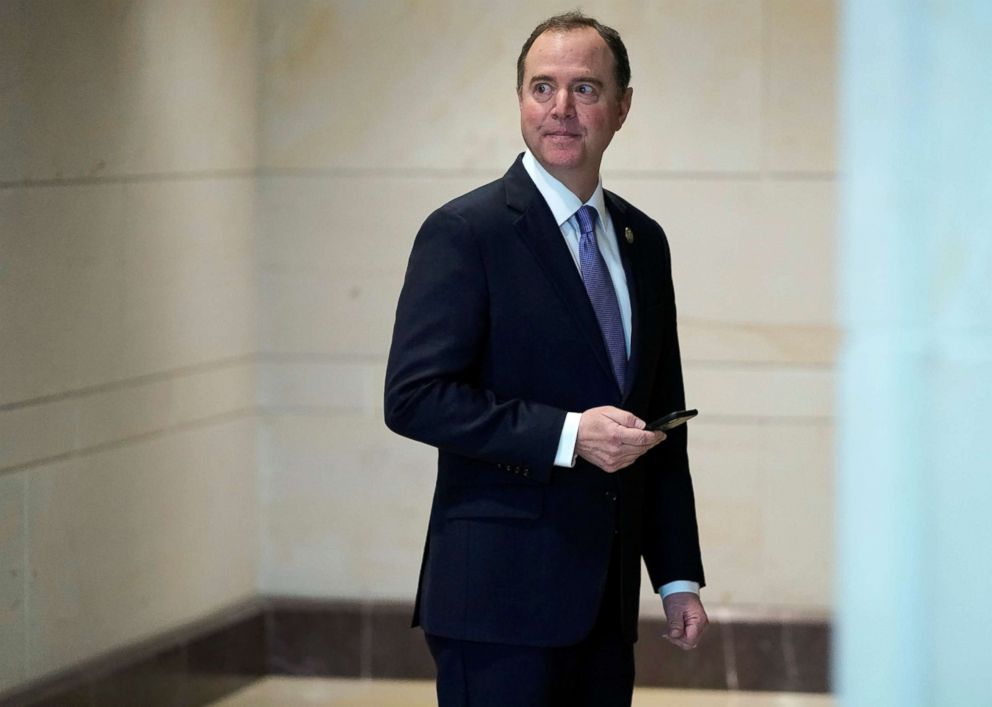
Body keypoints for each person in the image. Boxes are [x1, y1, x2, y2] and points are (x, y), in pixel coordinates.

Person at [384, 11, 706, 707]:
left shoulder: (643, 241)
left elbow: (663, 417)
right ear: (521, 101)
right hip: (496, 603)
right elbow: (414, 395)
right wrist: (568, 435)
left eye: (585, 88)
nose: (561, 108)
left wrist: (677, 575)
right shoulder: (464, 233)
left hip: (605, 608)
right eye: (542, 87)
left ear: (621, 107)